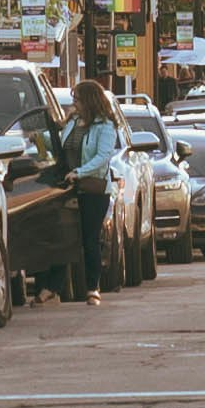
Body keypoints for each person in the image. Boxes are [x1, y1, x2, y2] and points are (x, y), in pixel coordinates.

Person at [63, 61, 121, 300]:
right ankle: (54, 289)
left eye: (77, 99)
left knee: (89, 238)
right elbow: (63, 147)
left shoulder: (105, 126)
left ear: (89, 100)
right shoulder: (73, 122)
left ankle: (92, 287)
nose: (74, 103)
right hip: (68, 186)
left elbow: (103, 156)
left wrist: (80, 172)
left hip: (93, 189)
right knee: (63, 237)